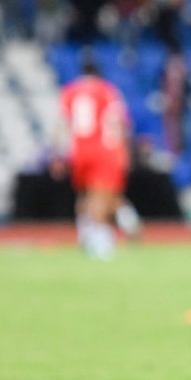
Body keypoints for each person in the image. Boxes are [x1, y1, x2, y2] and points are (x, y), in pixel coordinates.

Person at [56, 53, 137, 259]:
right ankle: (102, 238)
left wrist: (57, 154)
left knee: (85, 194)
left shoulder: (69, 91)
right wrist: (124, 152)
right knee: (102, 194)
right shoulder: (107, 90)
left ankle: (86, 234)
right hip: (104, 149)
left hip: (79, 151)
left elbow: (61, 125)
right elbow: (121, 123)